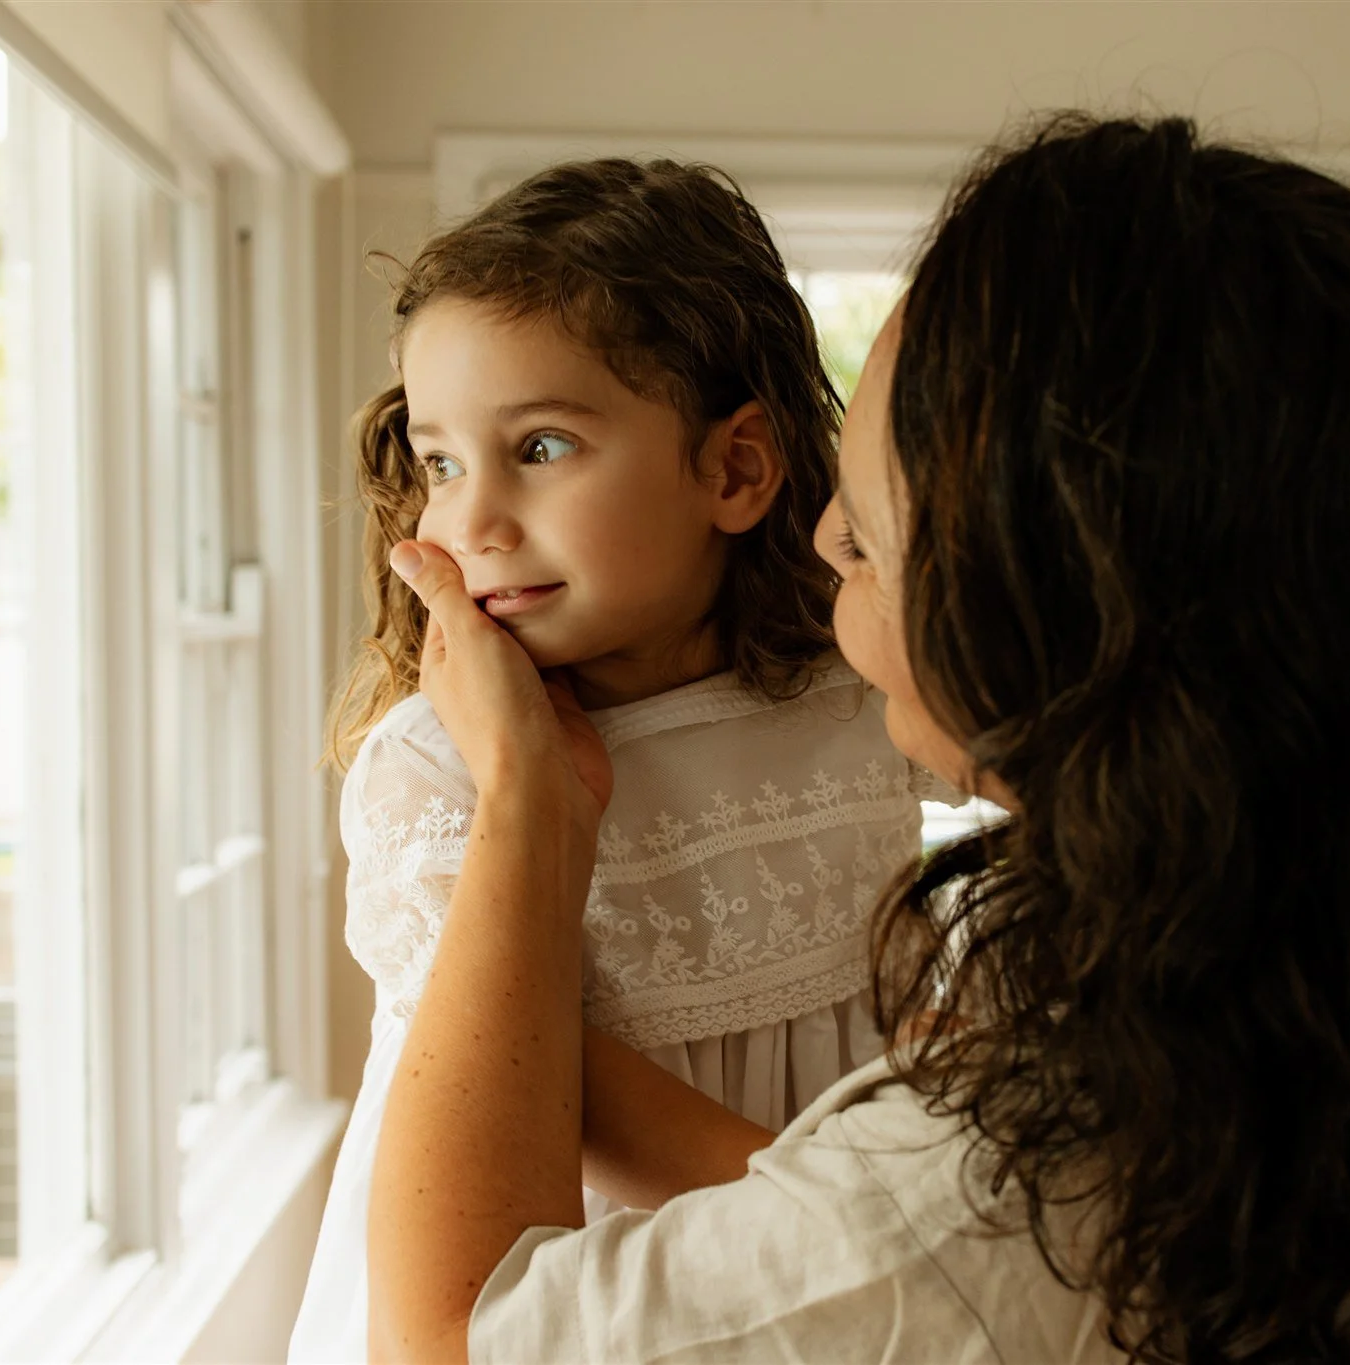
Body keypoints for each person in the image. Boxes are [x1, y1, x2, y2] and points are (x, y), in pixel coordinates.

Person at [367, 114, 1350, 1364]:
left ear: (1088, 610)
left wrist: (532, 807)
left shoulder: (997, 1195)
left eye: (884, 514)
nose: (828, 536)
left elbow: (451, 1343)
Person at [290, 158, 950, 1363]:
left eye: (540, 447)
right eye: (440, 462)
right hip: (581, 1266)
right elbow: (555, 1089)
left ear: (733, 470)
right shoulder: (441, 770)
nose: (472, 521)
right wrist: (871, 1225)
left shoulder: (850, 695)